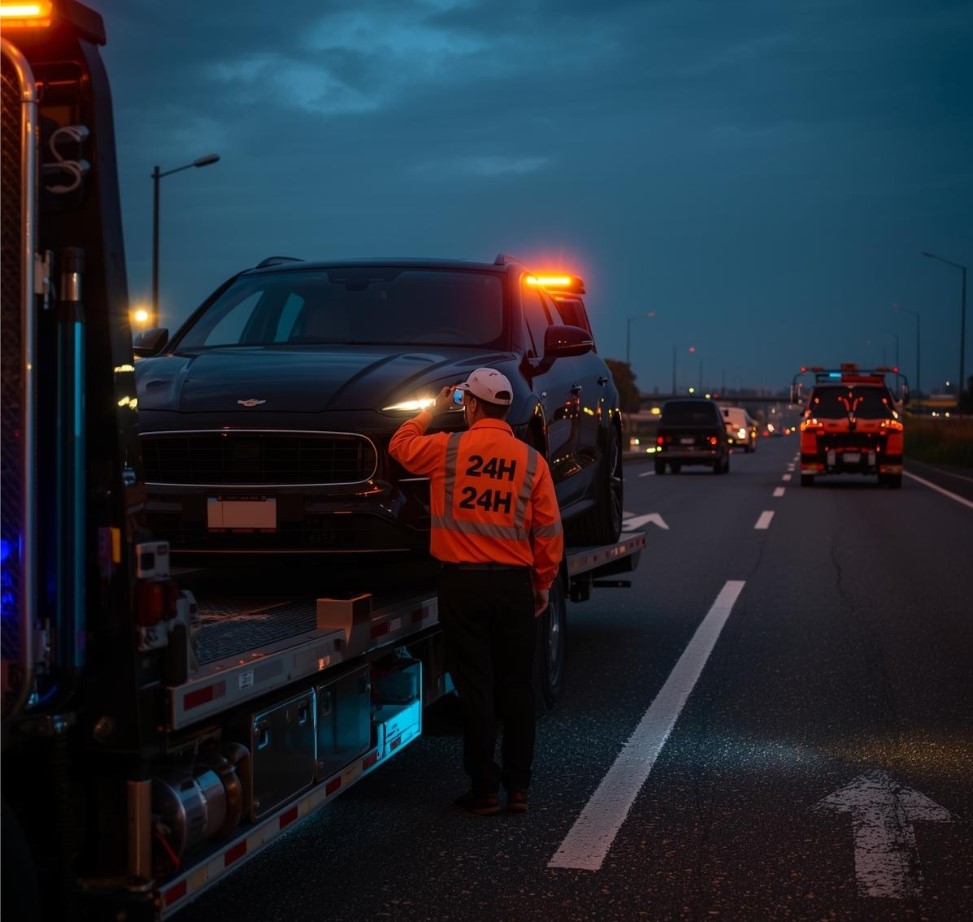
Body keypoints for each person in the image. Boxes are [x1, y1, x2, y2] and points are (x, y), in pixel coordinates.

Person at [389, 368, 564, 816]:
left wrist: (430, 409)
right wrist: (542, 583)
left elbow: (399, 447)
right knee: (518, 687)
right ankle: (519, 788)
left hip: (462, 584)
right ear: (505, 408)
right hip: (513, 587)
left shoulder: (448, 449)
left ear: (470, 404)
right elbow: (547, 531)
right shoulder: (531, 461)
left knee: (476, 687)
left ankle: (484, 789)